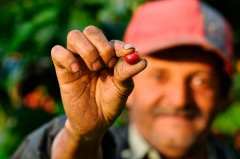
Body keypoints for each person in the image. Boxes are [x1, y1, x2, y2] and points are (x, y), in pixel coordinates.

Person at [12, 0, 237, 158]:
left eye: (201, 81)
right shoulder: (99, 149)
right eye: (159, 76)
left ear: (223, 95)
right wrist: (82, 138)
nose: (179, 100)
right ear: (128, 85)